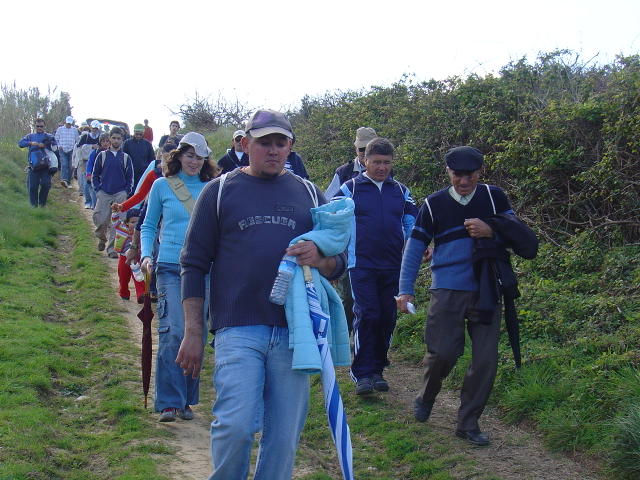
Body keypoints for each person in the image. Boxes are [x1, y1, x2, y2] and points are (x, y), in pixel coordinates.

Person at [176, 110, 347, 479]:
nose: (272, 150)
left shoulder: (307, 192)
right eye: (263, 142)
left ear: (290, 147)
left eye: (279, 142)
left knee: (283, 438)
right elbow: (192, 264)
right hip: (237, 328)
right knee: (235, 427)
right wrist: (192, 331)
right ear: (245, 144)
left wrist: (321, 259)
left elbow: (340, 262)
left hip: (293, 332)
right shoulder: (218, 191)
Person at [397, 146, 516, 446]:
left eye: (470, 175)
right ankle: (426, 396)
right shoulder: (434, 204)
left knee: (486, 360)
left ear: (480, 172)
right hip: (447, 289)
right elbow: (414, 248)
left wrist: (491, 230)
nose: (463, 181)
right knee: (443, 355)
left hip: (487, 287)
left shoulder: (494, 197)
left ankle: (468, 423)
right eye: (457, 175)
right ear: (448, 172)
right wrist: (404, 289)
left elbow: (517, 234)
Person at [140, 132, 215, 422]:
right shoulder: (161, 186)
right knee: (173, 331)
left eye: (199, 157)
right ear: (179, 156)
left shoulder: (213, 188)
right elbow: (148, 225)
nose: (194, 162)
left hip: (203, 269)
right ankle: (170, 401)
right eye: (189, 156)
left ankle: (186, 399)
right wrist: (147, 254)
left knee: (196, 333)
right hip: (170, 266)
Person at [333, 137, 417, 395]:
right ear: (364, 161)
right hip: (361, 264)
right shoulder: (350, 189)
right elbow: (333, 219)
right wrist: (335, 253)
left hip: (393, 265)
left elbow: (411, 221)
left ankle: (378, 369)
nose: (382, 167)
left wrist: (416, 244)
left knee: (387, 317)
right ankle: (362, 373)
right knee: (367, 315)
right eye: (376, 162)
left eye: (387, 163)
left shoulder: (401, 191)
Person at [326, 126, 377, 334]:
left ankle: (370, 340)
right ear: (355, 149)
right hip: (348, 242)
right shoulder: (343, 172)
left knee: (375, 293)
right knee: (347, 293)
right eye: (361, 149)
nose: (364, 153)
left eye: (369, 149)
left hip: (377, 242)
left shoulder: (384, 170)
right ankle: (349, 336)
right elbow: (328, 202)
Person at [92, 127, 134, 258]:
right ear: (109, 139)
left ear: (122, 140)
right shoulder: (102, 155)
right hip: (104, 192)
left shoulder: (126, 157)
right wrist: (98, 190)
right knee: (100, 218)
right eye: (114, 138)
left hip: (120, 193)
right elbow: (95, 174)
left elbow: (130, 177)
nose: (116, 141)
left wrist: (126, 192)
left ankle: (112, 249)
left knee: (118, 223)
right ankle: (101, 238)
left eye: (119, 138)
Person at [18, 118, 57, 207]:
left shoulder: (49, 136)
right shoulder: (30, 136)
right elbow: (20, 143)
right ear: (35, 126)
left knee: (46, 184)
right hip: (33, 165)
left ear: (44, 126)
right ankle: (34, 206)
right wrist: (32, 143)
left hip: (46, 165)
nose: (39, 128)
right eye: (37, 126)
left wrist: (46, 144)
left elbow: (55, 148)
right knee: (32, 187)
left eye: (41, 126)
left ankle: (42, 204)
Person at [113, 208, 146, 303]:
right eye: (132, 222)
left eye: (138, 222)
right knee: (123, 276)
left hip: (136, 257)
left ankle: (141, 294)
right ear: (126, 223)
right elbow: (115, 221)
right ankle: (124, 292)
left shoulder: (142, 232)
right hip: (124, 257)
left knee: (138, 276)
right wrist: (115, 212)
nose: (135, 224)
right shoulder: (122, 228)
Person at [77, 120, 102, 208]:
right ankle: (88, 201)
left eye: (96, 128)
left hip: (97, 161)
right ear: (90, 128)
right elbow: (79, 147)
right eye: (93, 128)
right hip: (86, 160)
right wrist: (91, 146)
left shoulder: (100, 138)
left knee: (95, 181)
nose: (95, 130)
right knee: (87, 181)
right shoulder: (85, 137)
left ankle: (94, 202)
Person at [123, 123, 156, 189]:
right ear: (134, 132)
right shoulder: (127, 143)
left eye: (140, 134)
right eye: (136, 134)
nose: (138, 136)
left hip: (143, 174)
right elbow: (123, 158)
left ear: (143, 133)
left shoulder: (147, 144)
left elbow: (152, 160)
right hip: (130, 174)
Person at [85, 133, 110, 209]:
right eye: (103, 141)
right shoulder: (95, 152)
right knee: (95, 198)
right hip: (95, 178)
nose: (105, 143)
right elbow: (90, 163)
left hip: (107, 179)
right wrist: (89, 174)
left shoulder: (112, 153)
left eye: (107, 141)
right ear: (100, 142)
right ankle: (91, 204)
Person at [55, 115, 80, 188]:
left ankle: (68, 181)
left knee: (70, 166)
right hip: (62, 149)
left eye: (70, 123)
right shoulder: (60, 129)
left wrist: (76, 148)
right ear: (65, 122)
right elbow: (56, 138)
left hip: (71, 149)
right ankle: (64, 180)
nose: (69, 125)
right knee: (64, 164)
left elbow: (77, 140)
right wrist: (58, 145)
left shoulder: (75, 130)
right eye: (67, 123)